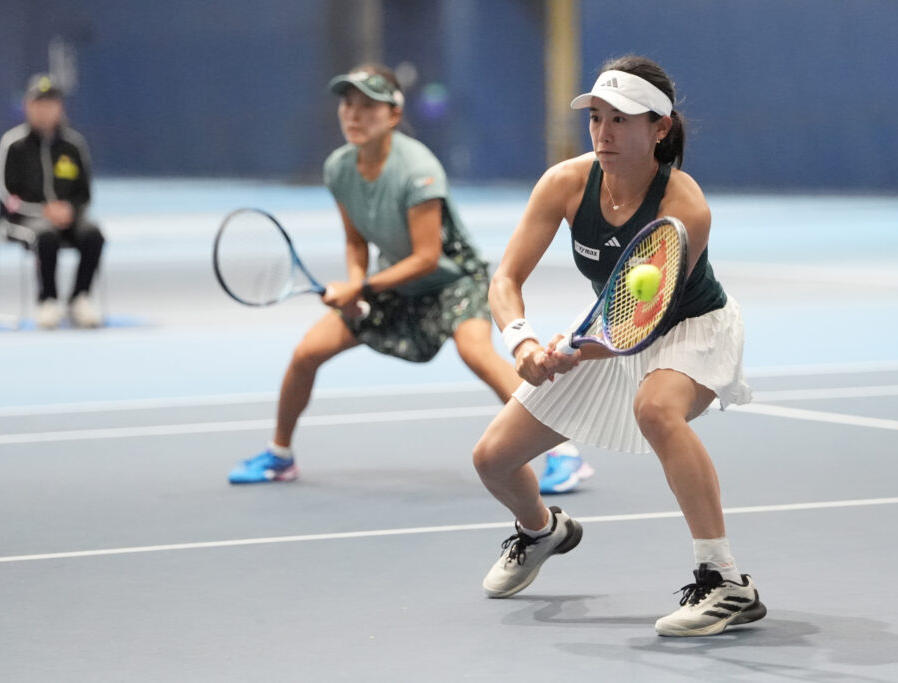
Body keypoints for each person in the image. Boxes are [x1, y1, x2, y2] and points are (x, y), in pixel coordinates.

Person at [472, 55, 766, 637]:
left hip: (690, 328)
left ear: (660, 127)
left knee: (656, 408)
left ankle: (726, 579)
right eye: (597, 118)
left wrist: (573, 349)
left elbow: (643, 325)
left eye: (622, 120)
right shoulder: (565, 183)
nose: (604, 133)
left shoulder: (684, 206)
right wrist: (523, 341)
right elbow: (504, 281)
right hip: (608, 327)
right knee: (493, 460)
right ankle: (541, 531)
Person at [227, 65, 592, 494]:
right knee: (307, 352)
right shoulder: (339, 168)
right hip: (392, 281)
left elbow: (426, 257)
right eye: (347, 104)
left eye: (368, 106)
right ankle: (279, 456)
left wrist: (360, 289)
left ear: (393, 115)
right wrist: (356, 286)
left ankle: (563, 453)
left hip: (453, 278)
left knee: (476, 353)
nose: (354, 115)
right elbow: (356, 241)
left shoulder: (418, 169)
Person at [0, 73, 104, 328]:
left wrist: (69, 209)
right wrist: (43, 211)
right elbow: (5, 194)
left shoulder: (73, 145)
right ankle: (47, 300)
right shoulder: (13, 145)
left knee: (93, 235)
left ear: (60, 107)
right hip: (22, 220)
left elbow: (84, 193)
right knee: (45, 236)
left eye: (50, 103)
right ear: (28, 106)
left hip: (67, 218)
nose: (45, 110)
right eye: (39, 104)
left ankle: (80, 297)